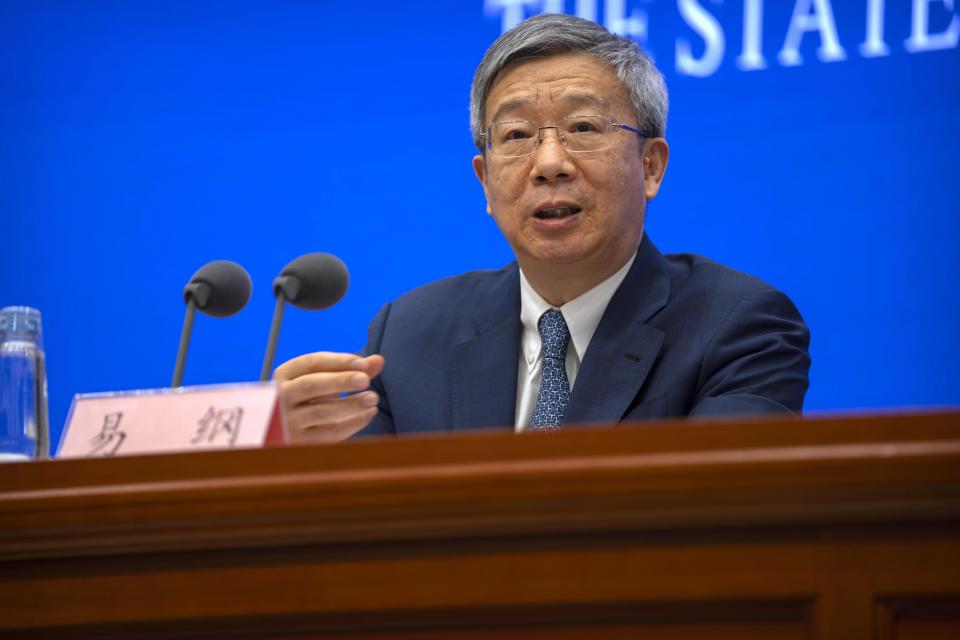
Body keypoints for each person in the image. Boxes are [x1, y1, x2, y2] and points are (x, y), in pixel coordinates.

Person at [274, 13, 810, 442]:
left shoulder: (741, 327)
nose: (549, 162)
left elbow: (719, 518)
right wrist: (296, 453)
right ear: (485, 180)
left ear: (651, 166)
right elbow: (366, 530)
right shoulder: (411, 335)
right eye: (515, 136)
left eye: (582, 127)